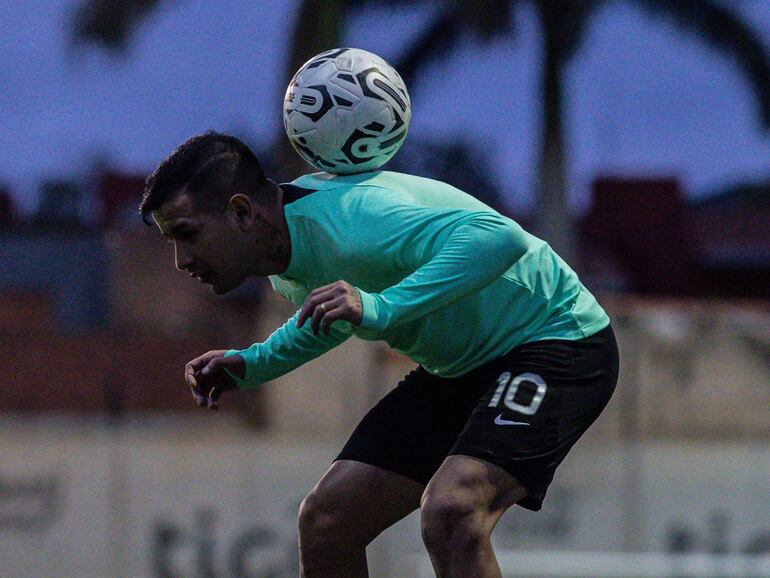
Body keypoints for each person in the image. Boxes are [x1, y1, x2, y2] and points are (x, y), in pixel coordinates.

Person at [140, 131, 619, 578]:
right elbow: (334, 314)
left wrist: (381, 306)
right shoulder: (284, 257)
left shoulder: (356, 217)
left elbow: (501, 238)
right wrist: (254, 363)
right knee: (328, 520)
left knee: (453, 509)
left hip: (556, 341)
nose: (181, 260)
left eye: (187, 234)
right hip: (458, 369)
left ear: (243, 213)